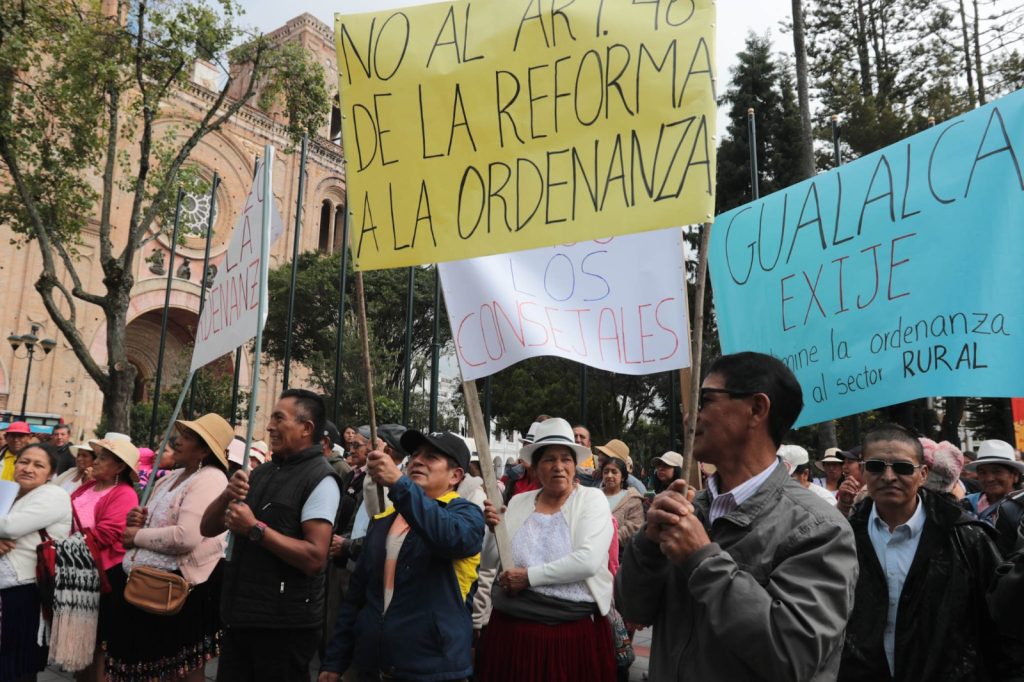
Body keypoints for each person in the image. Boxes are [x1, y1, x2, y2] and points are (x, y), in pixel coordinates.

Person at [615, 351, 857, 681]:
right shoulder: (689, 509)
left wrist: (702, 560)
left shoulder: (819, 527)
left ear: (756, 409)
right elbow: (633, 610)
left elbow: (792, 655)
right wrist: (647, 545)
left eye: (705, 401)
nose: (689, 417)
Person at [839, 425, 1019, 681]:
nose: (889, 477)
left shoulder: (966, 537)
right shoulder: (843, 539)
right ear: (864, 471)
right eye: (877, 466)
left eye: (902, 467)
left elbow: (1002, 624)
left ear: (923, 474)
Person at [318, 430, 484, 682]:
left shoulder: (466, 515)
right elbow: (357, 597)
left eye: (431, 457)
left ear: (455, 475)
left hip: (431, 669)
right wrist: (335, 660)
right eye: (415, 454)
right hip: (373, 666)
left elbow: (449, 537)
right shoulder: (384, 521)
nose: (417, 460)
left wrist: (399, 484)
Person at [201, 389, 340, 682]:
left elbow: (315, 558)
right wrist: (227, 494)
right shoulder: (261, 473)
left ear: (306, 428)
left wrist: (255, 529)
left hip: (283, 629)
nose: (269, 426)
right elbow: (208, 528)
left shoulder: (321, 479)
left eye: (279, 418)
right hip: (241, 619)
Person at [477, 418, 616, 682]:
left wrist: (528, 577)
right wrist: (492, 531)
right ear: (536, 467)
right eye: (549, 459)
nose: (559, 467)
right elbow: (489, 561)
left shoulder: (591, 500)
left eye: (566, 459)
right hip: (510, 632)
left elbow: (587, 561)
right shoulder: (518, 502)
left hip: (568, 637)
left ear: (575, 466)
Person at [105, 414, 233, 682]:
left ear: (204, 449)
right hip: (144, 584)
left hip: (179, 590)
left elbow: (186, 536)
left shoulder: (210, 479)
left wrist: (137, 535)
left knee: (180, 670)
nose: (177, 440)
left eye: (187, 437)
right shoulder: (170, 477)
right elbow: (153, 522)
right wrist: (137, 520)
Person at [0, 443, 73, 682]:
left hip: (25, 592)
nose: (28, 468)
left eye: (38, 465)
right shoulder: (12, 491)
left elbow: (10, 526)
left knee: (16, 665)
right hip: (9, 592)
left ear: (51, 473)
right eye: (23, 462)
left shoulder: (53, 495)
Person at [69, 435, 140, 681]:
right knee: (81, 643)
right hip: (77, 569)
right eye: (97, 456)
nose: (95, 462)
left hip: (104, 576)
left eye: (102, 458)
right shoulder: (88, 486)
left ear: (120, 467)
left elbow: (107, 534)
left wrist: (65, 548)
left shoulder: (124, 494)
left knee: (99, 645)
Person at [962, 439, 1024, 555]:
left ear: (1015, 476)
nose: (989, 478)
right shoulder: (967, 504)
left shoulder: (1020, 507)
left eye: (997, 472)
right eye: (983, 473)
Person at [601, 456, 644, 547]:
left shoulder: (632, 498)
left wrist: (609, 540)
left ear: (623, 477)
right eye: (606, 472)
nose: (609, 475)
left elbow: (634, 526)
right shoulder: (594, 496)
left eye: (614, 472)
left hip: (621, 554)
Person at [836, 446, 868, 517]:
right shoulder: (846, 490)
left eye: (850, 462)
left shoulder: (874, 492)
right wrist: (843, 503)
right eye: (844, 463)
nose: (844, 466)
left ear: (863, 465)